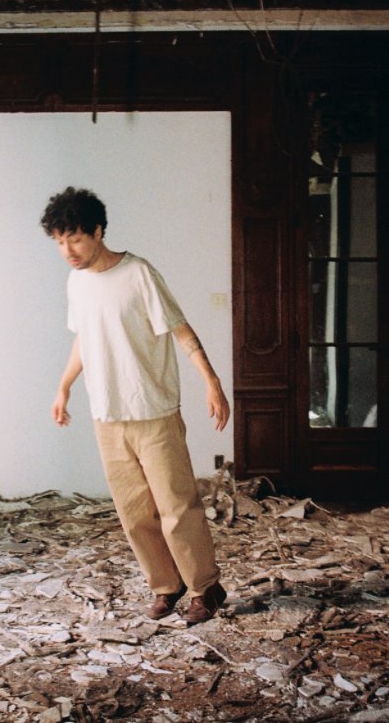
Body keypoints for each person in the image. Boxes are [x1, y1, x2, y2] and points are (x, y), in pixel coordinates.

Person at [41, 186, 230, 624]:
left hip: (153, 411)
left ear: (98, 231)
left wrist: (212, 381)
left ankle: (206, 587)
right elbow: (85, 338)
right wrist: (64, 387)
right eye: (59, 242)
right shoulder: (77, 282)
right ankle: (167, 585)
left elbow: (180, 329)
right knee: (134, 513)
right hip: (107, 414)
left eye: (75, 239)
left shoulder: (138, 273)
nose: (68, 251)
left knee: (177, 508)